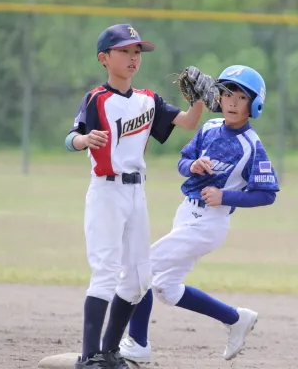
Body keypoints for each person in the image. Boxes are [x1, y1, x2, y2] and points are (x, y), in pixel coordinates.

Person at [64, 23, 213, 369]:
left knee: (138, 279)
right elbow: (70, 138)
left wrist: (199, 100)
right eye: (124, 51)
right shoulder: (96, 99)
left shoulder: (148, 100)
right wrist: (84, 140)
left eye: (136, 52)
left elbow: (188, 122)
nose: (133, 57)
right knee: (106, 272)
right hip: (106, 191)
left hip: (136, 193)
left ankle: (109, 351)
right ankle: (89, 356)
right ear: (104, 58)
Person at [118, 65, 280, 363]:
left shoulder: (251, 145)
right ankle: (235, 318)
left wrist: (224, 196)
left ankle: (138, 344)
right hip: (186, 214)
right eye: (227, 93)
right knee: (165, 288)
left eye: (241, 97)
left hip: (210, 223)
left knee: (142, 269)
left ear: (254, 105)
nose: (232, 102)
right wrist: (191, 166)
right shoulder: (210, 127)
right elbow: (183, 161)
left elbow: (267, 193)